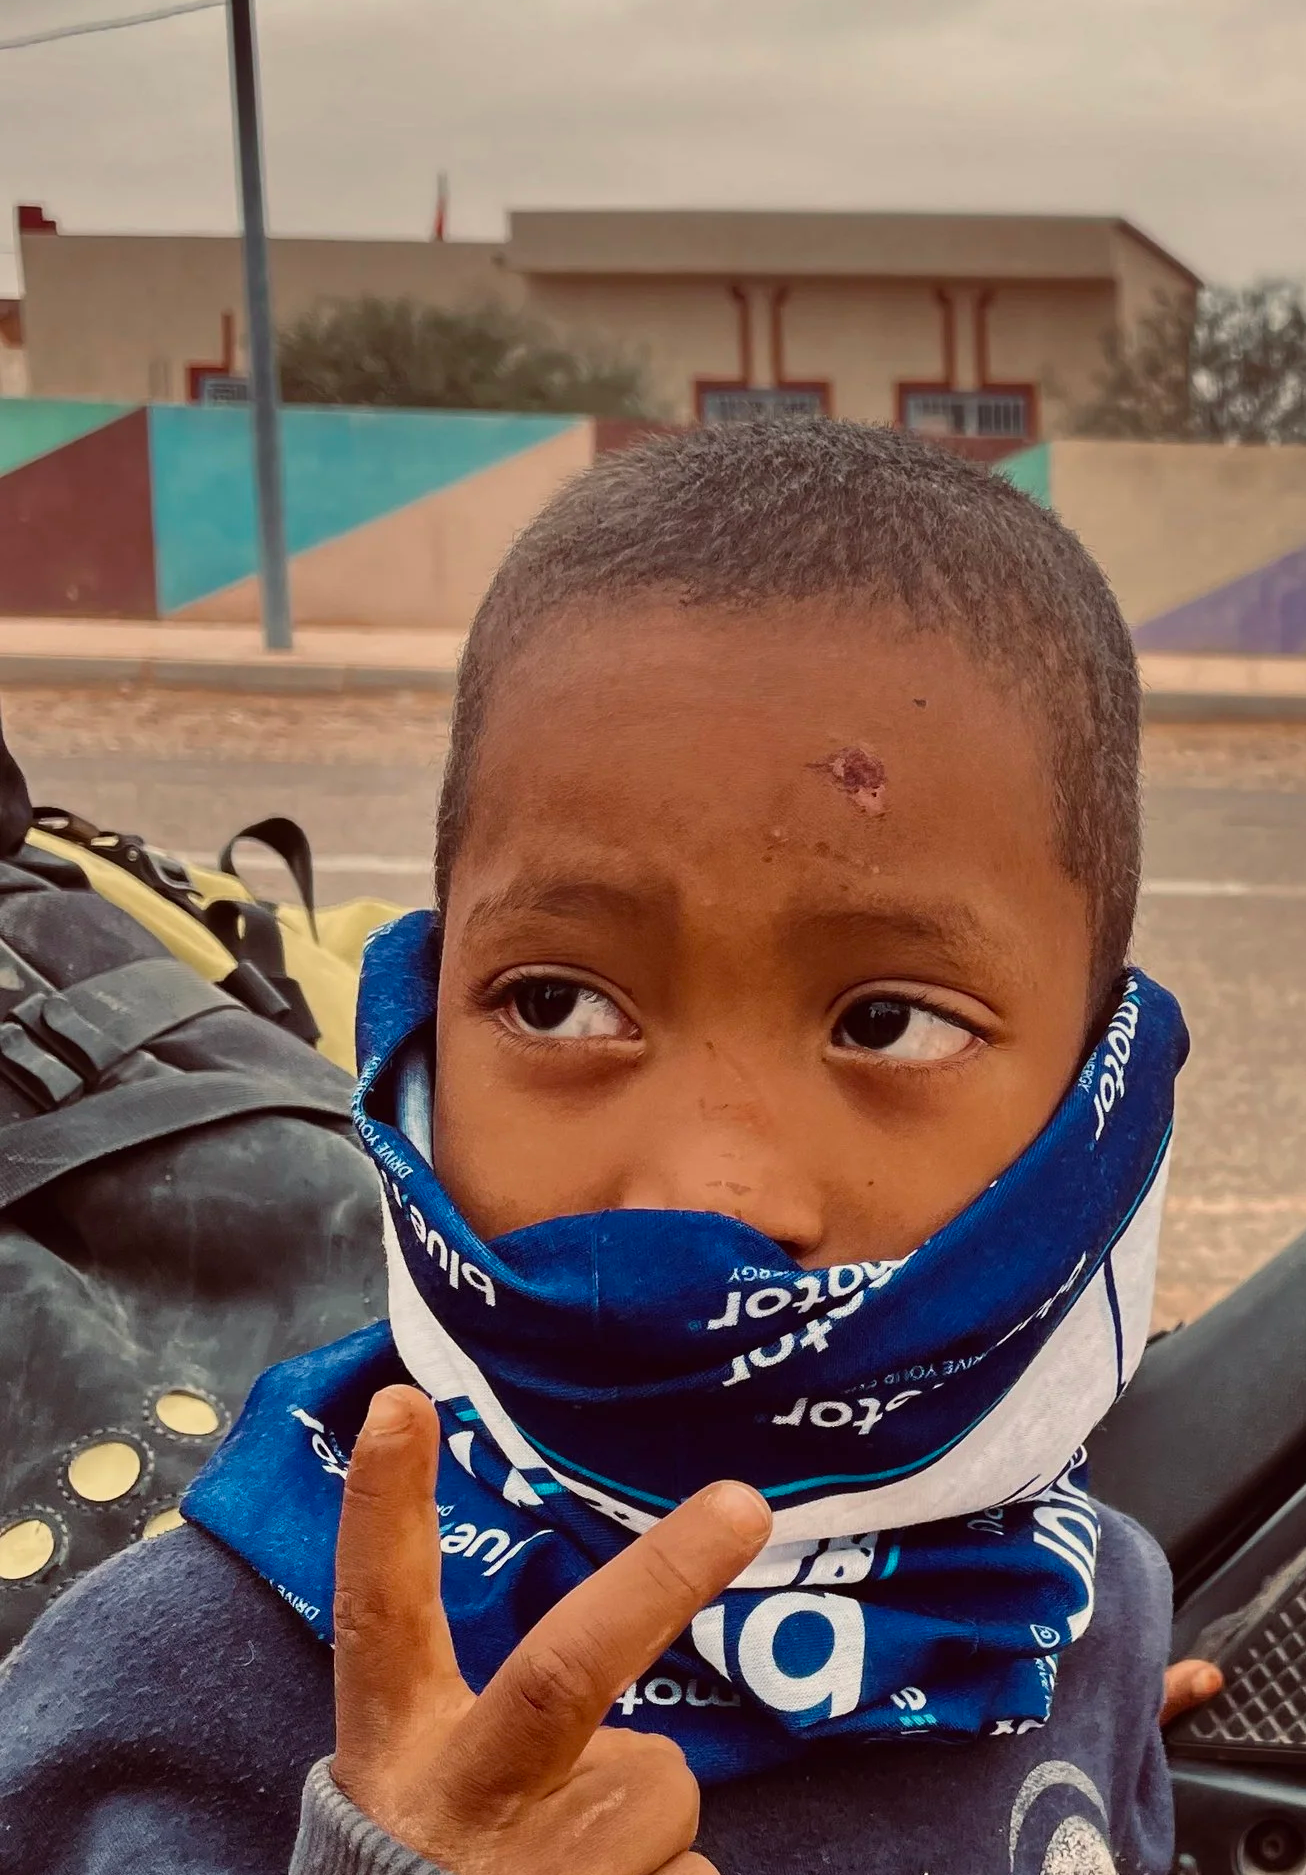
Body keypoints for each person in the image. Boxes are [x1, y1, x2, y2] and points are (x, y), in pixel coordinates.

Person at [0, 419, 1221, 1874]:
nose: (706, 1190)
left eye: (888, 1024)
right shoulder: (181, 1685)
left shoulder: (1066, 1603)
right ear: (421, 1031)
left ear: (1102, 1091)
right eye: (560, 1001)